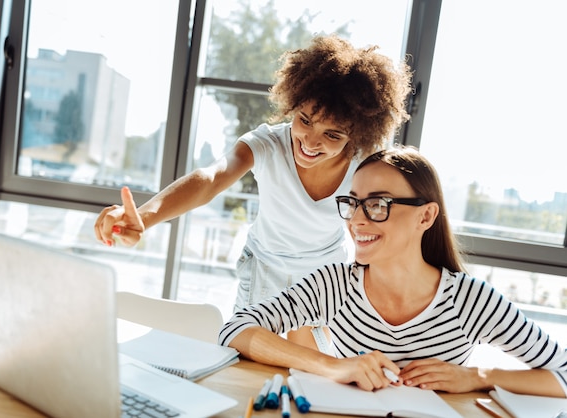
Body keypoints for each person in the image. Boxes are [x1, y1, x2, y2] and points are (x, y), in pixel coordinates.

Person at [94, 34, 412, 347]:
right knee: (245, 362)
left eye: (332, 135)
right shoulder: (268, 144)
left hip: (324, 281)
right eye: (305, 120)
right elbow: (210, 179)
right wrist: (146, 217)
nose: (312, 142)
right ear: (293, 104)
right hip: (263, 271)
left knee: (314, 371)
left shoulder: (365, 167)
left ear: (355, 136)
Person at [218, 146, 567, 398]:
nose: (356, 219)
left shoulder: (470, 300)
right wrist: (332, 366)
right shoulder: (334, 284)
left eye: (377, 204)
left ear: (426, 217)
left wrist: (476, 377)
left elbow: (562, 373)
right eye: (352, 202)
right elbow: (235, 328)